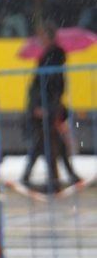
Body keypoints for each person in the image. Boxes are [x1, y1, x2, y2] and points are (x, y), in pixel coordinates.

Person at [20, 22, 82, 192]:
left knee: (48, 141)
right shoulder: (53, 57)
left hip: (46, 108)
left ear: (47, 37)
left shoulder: (51, 57)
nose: (39, 39)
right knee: (48, 141)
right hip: (48, 106)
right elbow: (52, 86)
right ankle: (62, 176)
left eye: (41, 36)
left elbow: (46, 86)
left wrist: (41, 106)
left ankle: (53, 180)